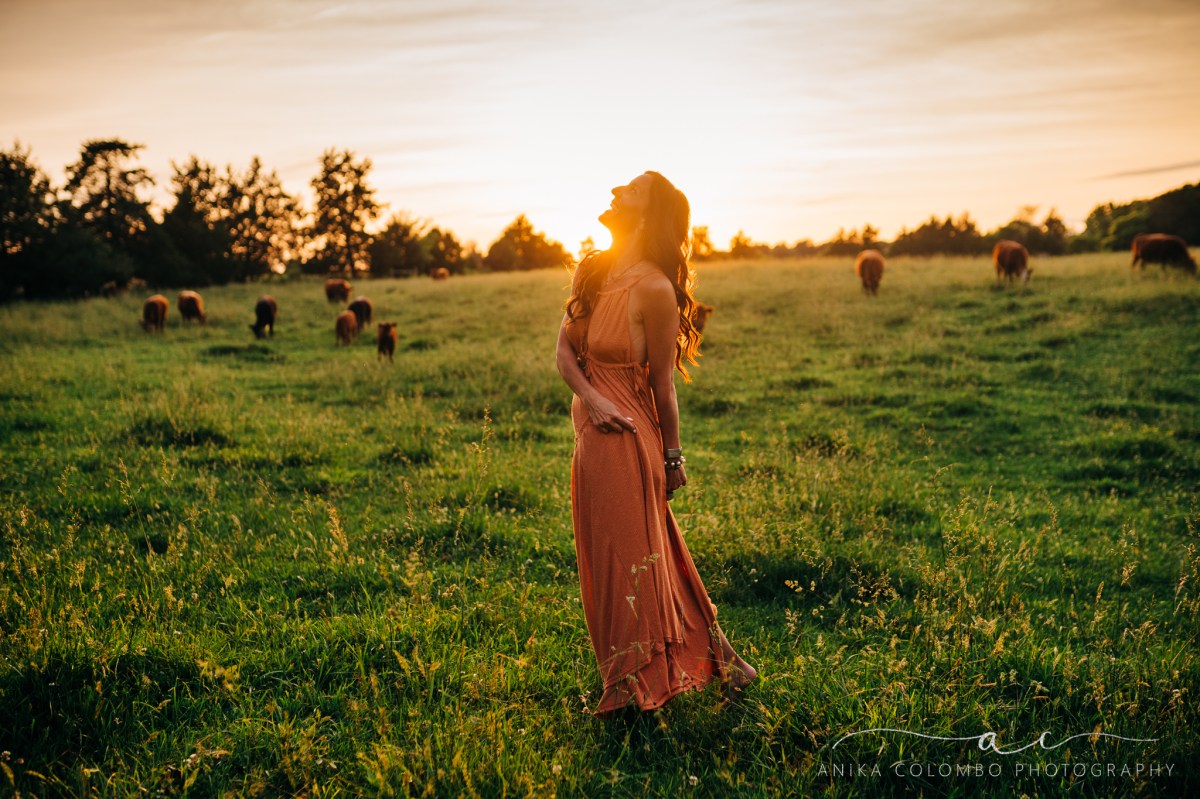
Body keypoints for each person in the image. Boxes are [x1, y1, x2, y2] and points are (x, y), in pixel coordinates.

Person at [556, 171, 757, 717]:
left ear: (646, 215)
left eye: (632, 191)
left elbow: (664, 385)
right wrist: (592, 401)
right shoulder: (594, 270)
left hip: (628, 438)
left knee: (635, 560)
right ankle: (725, 664)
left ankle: (634, 684)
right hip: (593, 432)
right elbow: (564, 354)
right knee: (632, 555)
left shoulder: (654, 288)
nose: (616, 191)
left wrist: (673, 458)